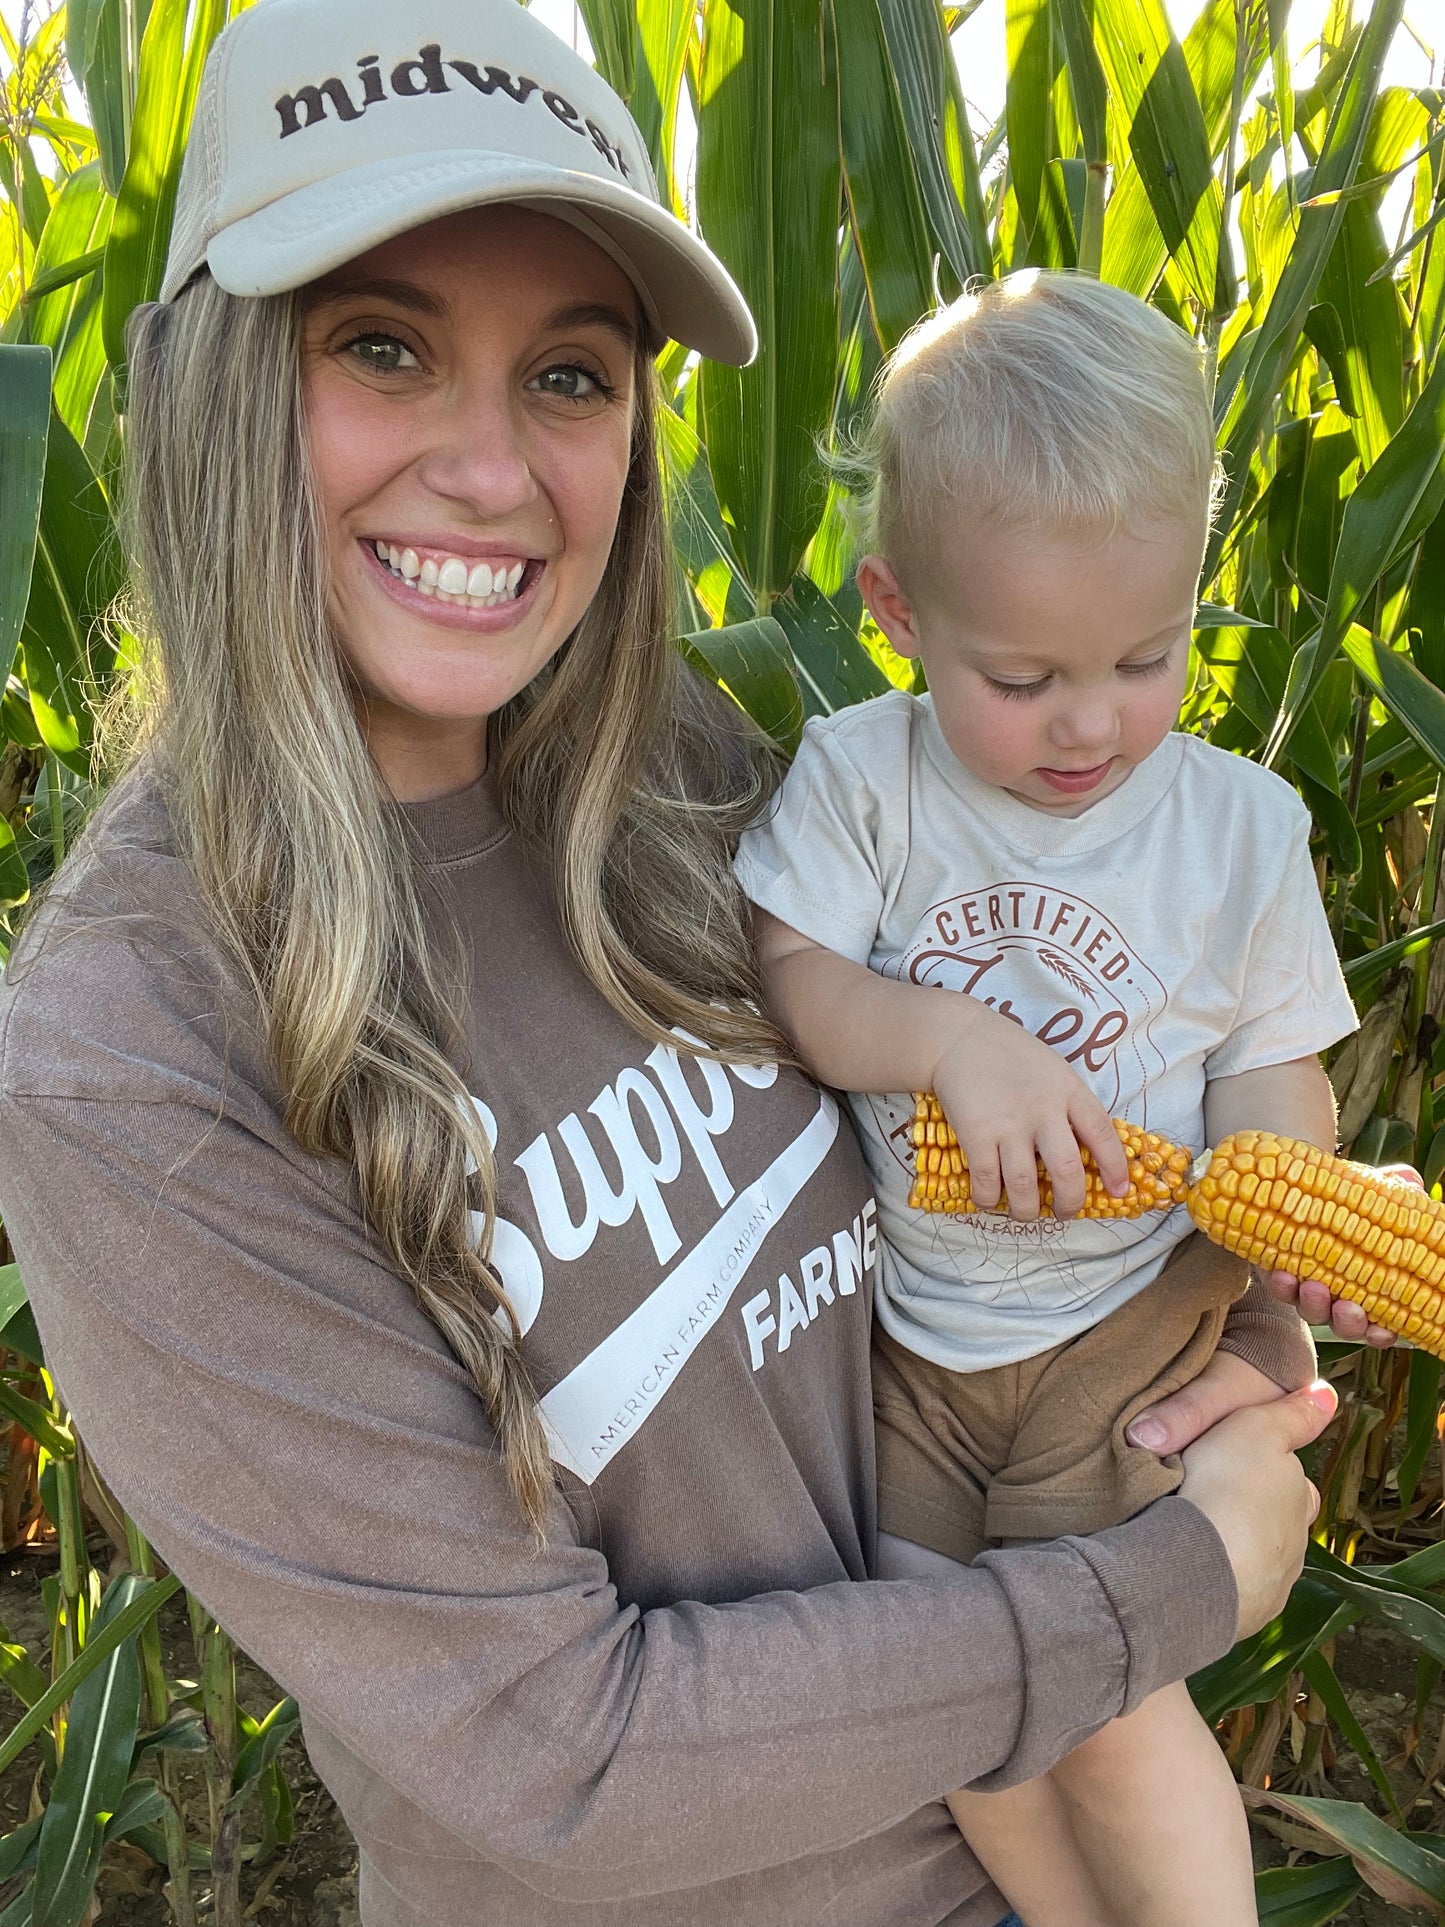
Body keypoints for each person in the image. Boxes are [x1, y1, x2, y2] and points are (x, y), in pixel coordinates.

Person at [0, 5, 1338, 1924]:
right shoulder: (133, 1054)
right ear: (215, 379)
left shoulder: (683, 776)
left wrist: (1238, 1345)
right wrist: (1178, 1580)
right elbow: (562, 1756)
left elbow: (1098, 1071)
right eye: (380, 347)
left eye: (571, 374)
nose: (489, 470)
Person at [735, 272, 1376, 1927]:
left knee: (1090, 1681)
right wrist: (946, 1037)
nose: (1089, 722)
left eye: (1144, 658)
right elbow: (796, 984)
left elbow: (1269, 1060)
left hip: (1126, 1317)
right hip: (911, 1345)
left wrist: (1277, 1194)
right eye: (1018, 678)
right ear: (894, 609)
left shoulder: (1236, 828)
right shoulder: (862, 784)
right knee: (955, 1692)